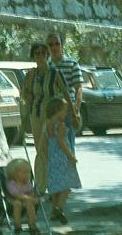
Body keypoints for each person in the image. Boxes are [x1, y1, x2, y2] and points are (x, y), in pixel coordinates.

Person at [21, 42, 72, 194]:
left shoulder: (55, 73)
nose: (41, 56)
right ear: (33, 56)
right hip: (36, 116)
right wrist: (28, 98)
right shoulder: (31, 75)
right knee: (40, 151)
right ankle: (41, 186)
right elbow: (25, 94)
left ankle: (55, 185)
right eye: (37, 53)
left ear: (47, 55)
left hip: (52, 118)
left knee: (54, 151)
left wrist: (73, 114)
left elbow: (65, 92)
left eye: (44, 53)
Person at [45, 97, 81, 224]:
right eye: (64, 111)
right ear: (57, 111)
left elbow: (44, 143)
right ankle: (59, 208)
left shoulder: (47, 124)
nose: (66, 114)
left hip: (52, 158)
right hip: (62, 158)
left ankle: (53, 212)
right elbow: (61, 142)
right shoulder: (60, 125)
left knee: (56, 187)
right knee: (67, 185)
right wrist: (71, 156)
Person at [47, 33, 84, 151]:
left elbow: (78, 88)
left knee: (68, 145)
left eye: (57, 44)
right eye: (50, 44)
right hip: (51, 113)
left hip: (68, 111)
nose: (54, 47)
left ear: (62, 45)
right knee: (53, 147)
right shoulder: (46, 66)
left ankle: (71, 168)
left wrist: (76, 111)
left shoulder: (72, 64)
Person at [5, 158, 38, 235]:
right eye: (24, 172)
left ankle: (32, 224)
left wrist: (33, 198)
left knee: (30, 203)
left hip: (25, 201)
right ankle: (17, 225)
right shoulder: (11, 183)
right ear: (14, 174)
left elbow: (30, 192)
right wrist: (28, 198)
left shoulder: (27, 183)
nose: (27, 174)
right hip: (12, 200)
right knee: (17, 204)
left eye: (28, 172)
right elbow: (15, 194)